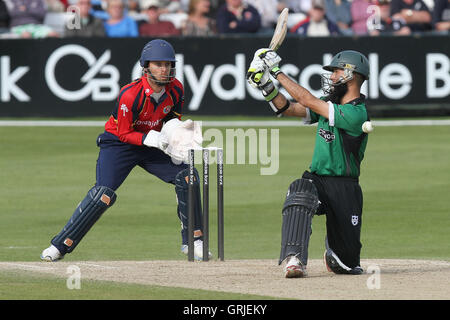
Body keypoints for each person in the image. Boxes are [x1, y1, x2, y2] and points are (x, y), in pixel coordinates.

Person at [40, 39, 210, 262]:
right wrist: (152, 137)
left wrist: (177, 133)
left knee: (188, 176)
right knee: (103, 195)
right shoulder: (130, 94)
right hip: (120, 145)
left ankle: (193, 242)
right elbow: (123, 133)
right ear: (146, 66)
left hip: (153, 145)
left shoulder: (176, 88)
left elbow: (171, 118)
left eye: (167, 64)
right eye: (158, 64)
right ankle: (59, 246)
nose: (164, 69)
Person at [247, 48, 370, 278]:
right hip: (318, 179)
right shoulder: (328, 104)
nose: (332, 77)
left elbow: (306, 99)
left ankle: (336, 253)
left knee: (346, 266)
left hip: (346, 186)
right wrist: (266, 86)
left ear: (351, 75)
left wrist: (275, 71)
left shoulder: (357, 113)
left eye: (336, 71)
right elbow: (289, 108)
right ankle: (295, 259)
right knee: (299, 190)